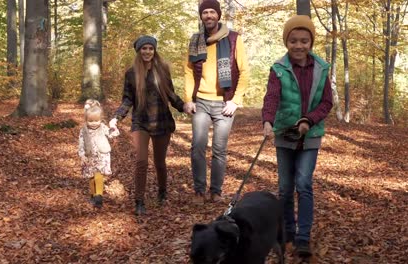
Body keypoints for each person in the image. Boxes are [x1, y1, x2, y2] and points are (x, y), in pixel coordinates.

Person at [261, 15, 333, 257]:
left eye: (304, 41)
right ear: (286, 42)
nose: (299, 46)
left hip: (310, 134)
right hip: (284, 134)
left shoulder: (321, 68)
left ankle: (303, 237)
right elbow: (271, 97)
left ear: (311, 42)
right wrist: (268, 121)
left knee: (303, 184)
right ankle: (287, 233)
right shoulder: (278, 69)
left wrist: (308, 120)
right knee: (285, 187)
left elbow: (326, 103)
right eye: (293, 41)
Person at [109, 35, 185, 216]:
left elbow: (171, 95)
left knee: (159, 162)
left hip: (162, 121)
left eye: (151, 48)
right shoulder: (131, 73)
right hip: (140, 123)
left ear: (154, 51)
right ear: (138, 51)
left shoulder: (163, 70)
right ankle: (139, 201)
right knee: (141, 161)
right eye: (144, 48)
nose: (147, 52)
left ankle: (162, 191)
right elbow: (127, 100)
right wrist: (116, 117)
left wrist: (185, 106)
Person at [183, 0, 250, 204]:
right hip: (201, 101)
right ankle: (199, 191)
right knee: (198, 146)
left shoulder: (233, 39)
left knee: (219, 149)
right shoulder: (195, 40)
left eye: (213, 12)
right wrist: (188, 99)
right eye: (205, 13)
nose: (209, 16)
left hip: (224, 102)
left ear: (218, 15)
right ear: (201, 16)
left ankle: (216, 191)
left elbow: (245, 71)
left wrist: (235, 100)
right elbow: (187, 70)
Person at [78, 99, 120, 208]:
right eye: (90, 121)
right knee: (91, 177)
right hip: (90, 157)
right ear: (86, 120)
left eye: (96, 120)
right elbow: (81, 143)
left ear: (100, 120)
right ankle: (93, 194)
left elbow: (111, 134)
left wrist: (113, 127)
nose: (93, 123)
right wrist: (82, 155)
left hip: (102, 156)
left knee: (98, 175)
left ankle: (99, 196)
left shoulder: (102, 128)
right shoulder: (83, 131)